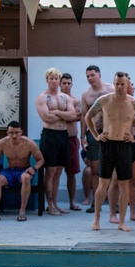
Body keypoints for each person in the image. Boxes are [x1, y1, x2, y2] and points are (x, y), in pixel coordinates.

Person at [84, 71, 135, 232]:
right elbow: (88, 117)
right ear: (113, 84)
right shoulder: (104, 100)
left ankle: (122, 221)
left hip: (124, 146)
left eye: (123, 84)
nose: (120, 87)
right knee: (103, 184)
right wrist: (96, 135)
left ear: (127, 84)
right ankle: (96, 218)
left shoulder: (134, 103)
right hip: (107, 145)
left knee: (124, 184)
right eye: (117, 84)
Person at [35, 68, 78, 215]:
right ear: (47, 79)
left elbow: (73, 115)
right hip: (50, 135)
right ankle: (50, 205)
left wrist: (57, 113)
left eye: (56, 79)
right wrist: (65, 115)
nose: (54, 81)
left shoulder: (65, 98)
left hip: (63, 135)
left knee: (59, 171)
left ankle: (56, 204)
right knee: (51, 170)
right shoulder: (42, 97)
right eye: (51, 78)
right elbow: (46, 118)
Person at [0, 121, 45, 222]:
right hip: (9, 171)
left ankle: (22, 211)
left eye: (17, 132)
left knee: (26, 178)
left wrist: (34, 169)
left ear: (21, 132)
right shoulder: (2, 143)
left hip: (24, 170)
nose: (14, 136)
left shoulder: (29, 143)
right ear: (7, 132)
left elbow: (41, 159)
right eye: (11, 133)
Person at [81, 65, 115, 213]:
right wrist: (82, 136)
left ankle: (116, 202)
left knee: (114, 167)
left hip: (111, 132)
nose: (90, 78)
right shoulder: (86, 95)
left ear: (99, 75)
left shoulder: (110, 89)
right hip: (93, 133)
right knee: (94, 168)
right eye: (87, 76)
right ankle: (96, 202)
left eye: (92, 75)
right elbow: (83, 116)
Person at [60, 73, 83, 211]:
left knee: (71, 172)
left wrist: (60, 114)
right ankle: (52, 204)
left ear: (72, 84)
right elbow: (50, 117)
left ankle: (72, 202)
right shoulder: (54, 100)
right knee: (54, 171)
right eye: (64, 83)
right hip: (58, 137)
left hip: (72, 140)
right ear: (60, 84)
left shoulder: (76, 100)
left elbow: (78, 117)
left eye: (69, 83)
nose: (67, 86)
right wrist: (69, 115)